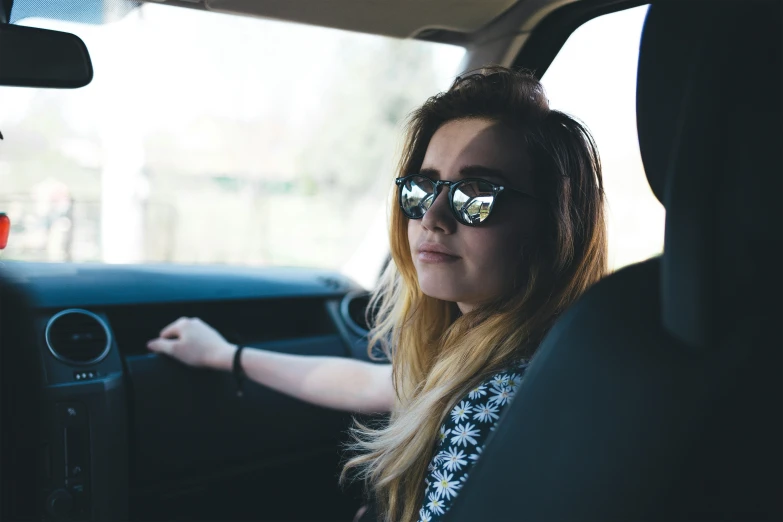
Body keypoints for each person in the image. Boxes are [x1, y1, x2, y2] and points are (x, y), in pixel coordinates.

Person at [147, 66, 607, 522]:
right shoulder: (493, 356)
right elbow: (373, 383)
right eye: (424, 187)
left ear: (554, 227)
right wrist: (226, 355)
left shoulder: (491, 405)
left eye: (478, 193)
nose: (433, 216)